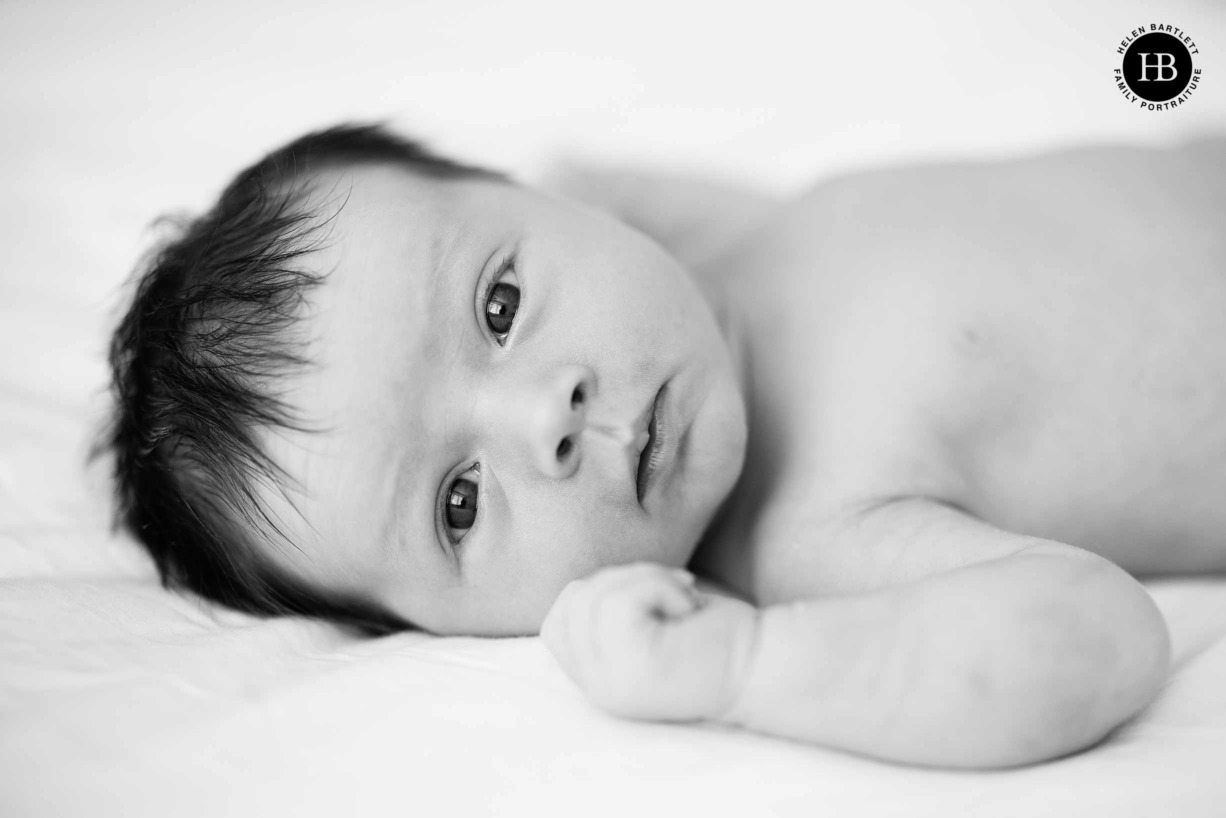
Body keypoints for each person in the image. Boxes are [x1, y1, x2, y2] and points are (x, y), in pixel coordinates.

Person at [108, 123, 1226, 768]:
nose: (542, 418)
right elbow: (1098, 635)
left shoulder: (734, 248)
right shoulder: (814, 524)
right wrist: (746, 666)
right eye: (457, 501)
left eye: (499, 303)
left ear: (536, 201)